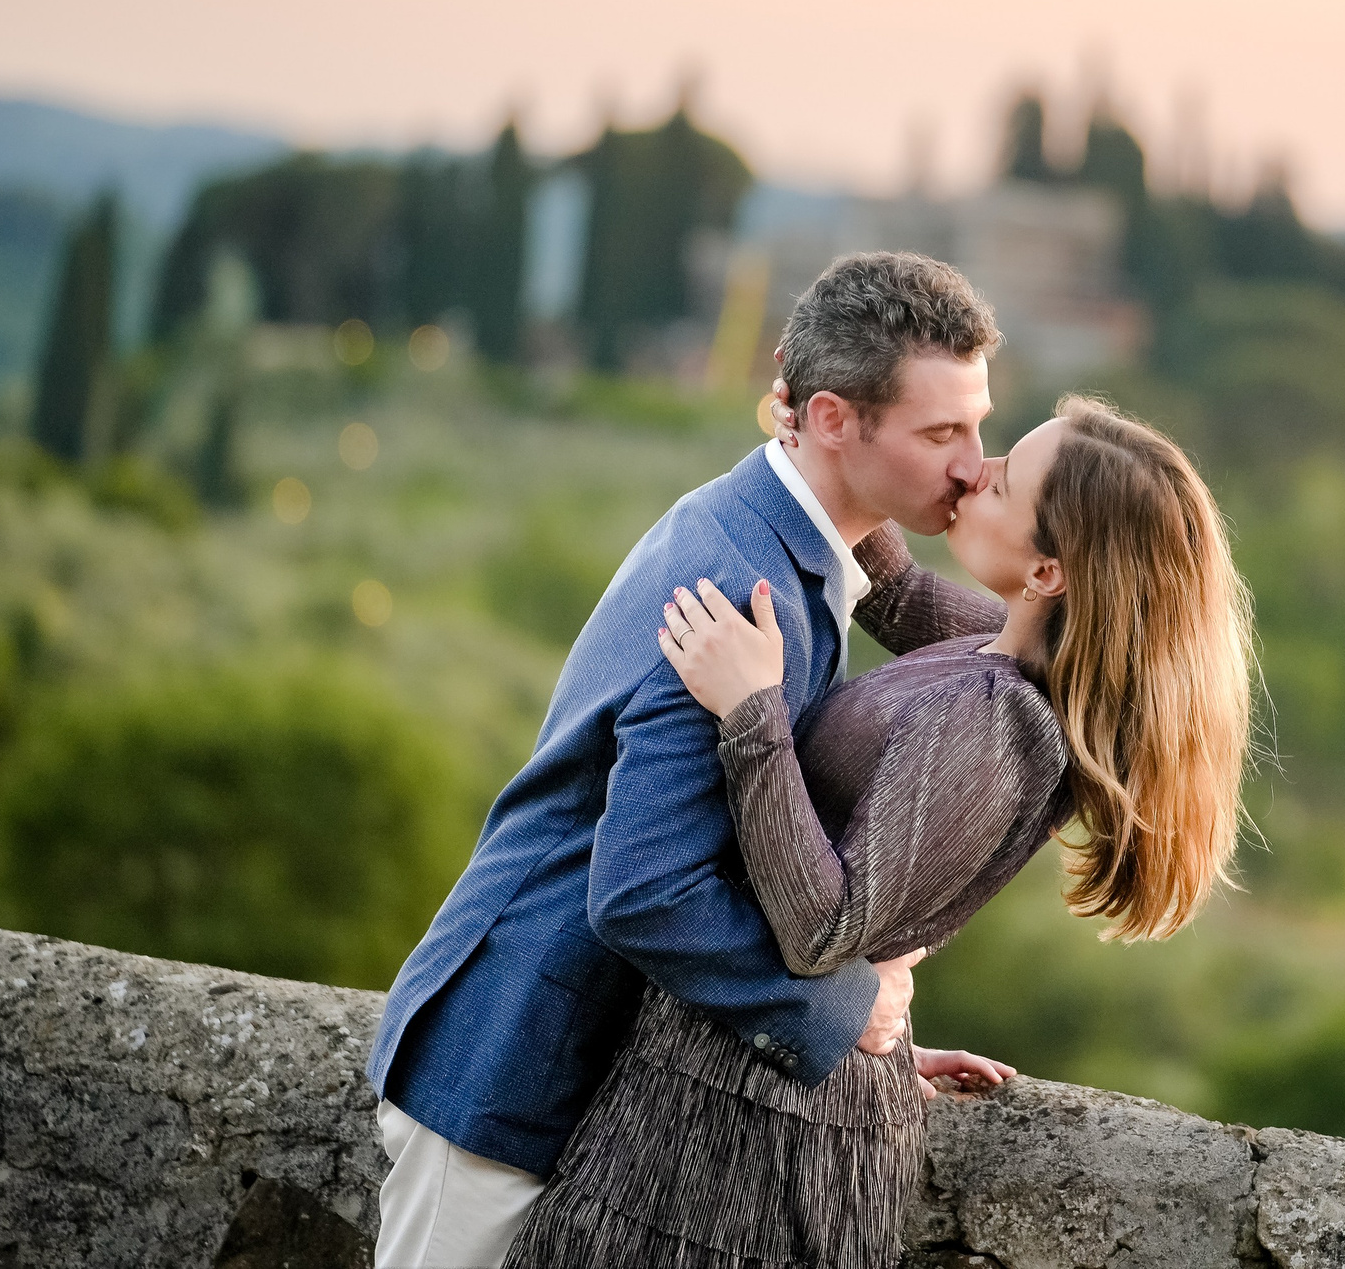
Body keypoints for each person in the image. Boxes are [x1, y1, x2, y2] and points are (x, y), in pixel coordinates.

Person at [502, 392, 1257, 1269]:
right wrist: (835, 434)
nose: (975, 469)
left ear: (1049, 570)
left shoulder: (996, 721)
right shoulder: (999, 648)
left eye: (1002, 480)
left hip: (758, 1142)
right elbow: (890, 590)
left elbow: (825, 927)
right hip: (746, 1084)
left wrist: (753, 715)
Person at [365, 252, 1005, 1269]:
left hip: (582, 1058)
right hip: (510, 1061)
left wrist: (864, 1063)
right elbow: (646, 890)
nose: (976, 463)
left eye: (976, 426)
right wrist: (839, 1015)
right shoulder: (736, 583)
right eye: (944, 433)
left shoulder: (787, 539)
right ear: (835, 419)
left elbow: (1009, 647)